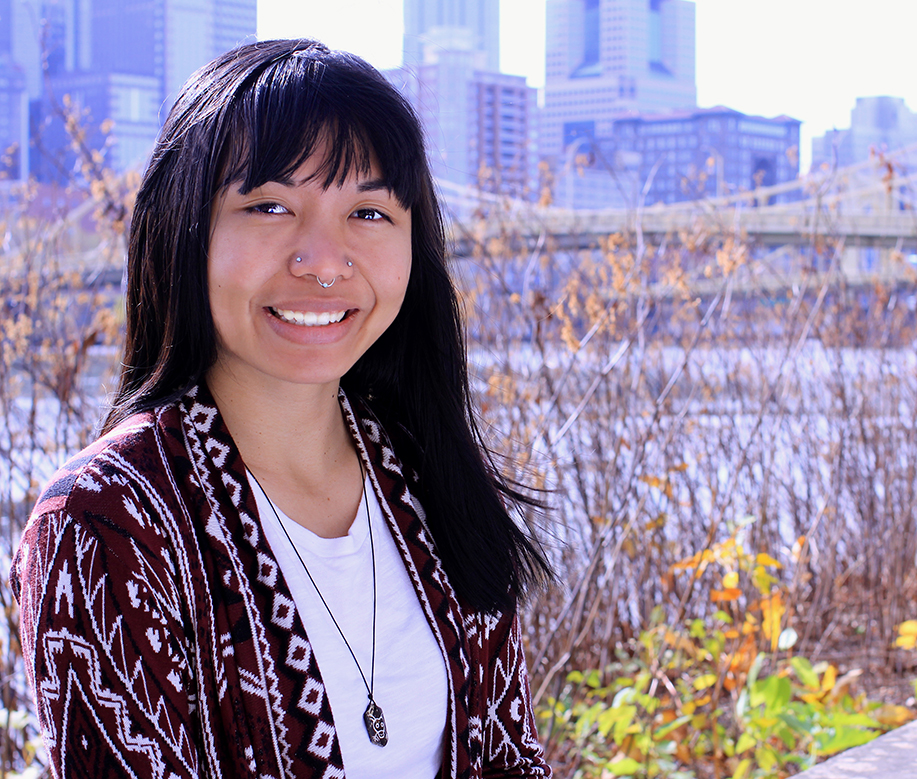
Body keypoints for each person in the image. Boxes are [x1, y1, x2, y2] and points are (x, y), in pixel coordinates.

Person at [11, 39, 552, 778]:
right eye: (269, 205)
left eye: (368, 211)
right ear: (184, 231)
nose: (324, 260)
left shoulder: (432, 482)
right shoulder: (106, 524)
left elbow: (511, 759)